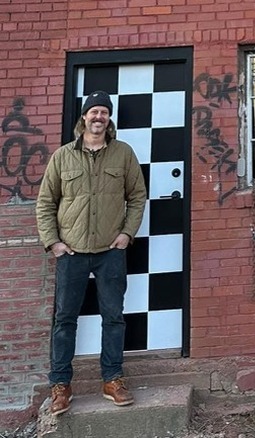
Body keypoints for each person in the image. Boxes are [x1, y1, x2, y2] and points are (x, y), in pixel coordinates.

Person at [36, 90, 147, 415]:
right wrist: (53, 242)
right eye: (93, 112)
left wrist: (127, 233)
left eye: (104, 112)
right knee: (65, 320)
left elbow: (137, 196)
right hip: (70, 251)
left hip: (110, 251)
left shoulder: (123, 154)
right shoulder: (63, 157)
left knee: (113, 318)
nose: (98, 117)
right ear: (83, 117)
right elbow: (45, 203)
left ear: (109, 118)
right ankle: (61, 386)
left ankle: (112, 380)